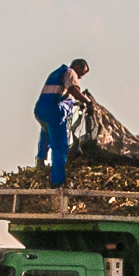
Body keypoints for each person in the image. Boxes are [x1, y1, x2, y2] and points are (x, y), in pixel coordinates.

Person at [33, 56, 91, 187]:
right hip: (54, 112)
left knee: (46, 134)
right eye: (82, 73)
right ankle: (57, 181)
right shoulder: (70, 72)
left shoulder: (57, 73)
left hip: (41, 110)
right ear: (79, 67)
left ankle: (40, 162)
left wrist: (77, 103)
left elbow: (63, 94)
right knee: (60, 146)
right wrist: (87, 101)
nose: (80, 77)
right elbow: (73, 90)